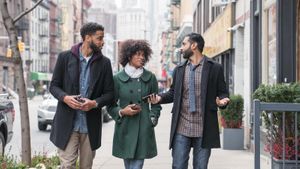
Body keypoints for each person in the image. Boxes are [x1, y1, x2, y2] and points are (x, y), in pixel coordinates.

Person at [149, 33, 230, 169]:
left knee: (200, 167)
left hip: (204, 128)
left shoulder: (215, 68)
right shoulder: (179, 69)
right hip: (182, 127)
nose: (181, 48)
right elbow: (173, 93)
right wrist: (160, 98)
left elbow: (223, 92)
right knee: (178, 165)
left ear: (194, 45)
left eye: (184, 44)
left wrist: (223, 101)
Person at [49, 22, 114, 168]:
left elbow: (110, 94)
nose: (102, 42)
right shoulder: (64, 57)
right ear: (87, 38)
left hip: (90, 126)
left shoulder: (105, 63)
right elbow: (53, 86)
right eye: (99, 38)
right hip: (67, 124)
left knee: (86, 167)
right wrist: (65, 98)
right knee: (67, 165)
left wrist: (94, 103)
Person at [107, 39, 162, 169]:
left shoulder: (150, 78)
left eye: (143, 55)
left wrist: (152, 118)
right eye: (138, 54)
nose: (141, 57)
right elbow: (110, 106)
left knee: (137, 165)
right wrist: (122, 111)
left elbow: (156, 104)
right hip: (125, 127)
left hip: (143, 127)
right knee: (128, 165)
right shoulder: (117, 79)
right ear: (129, 55)